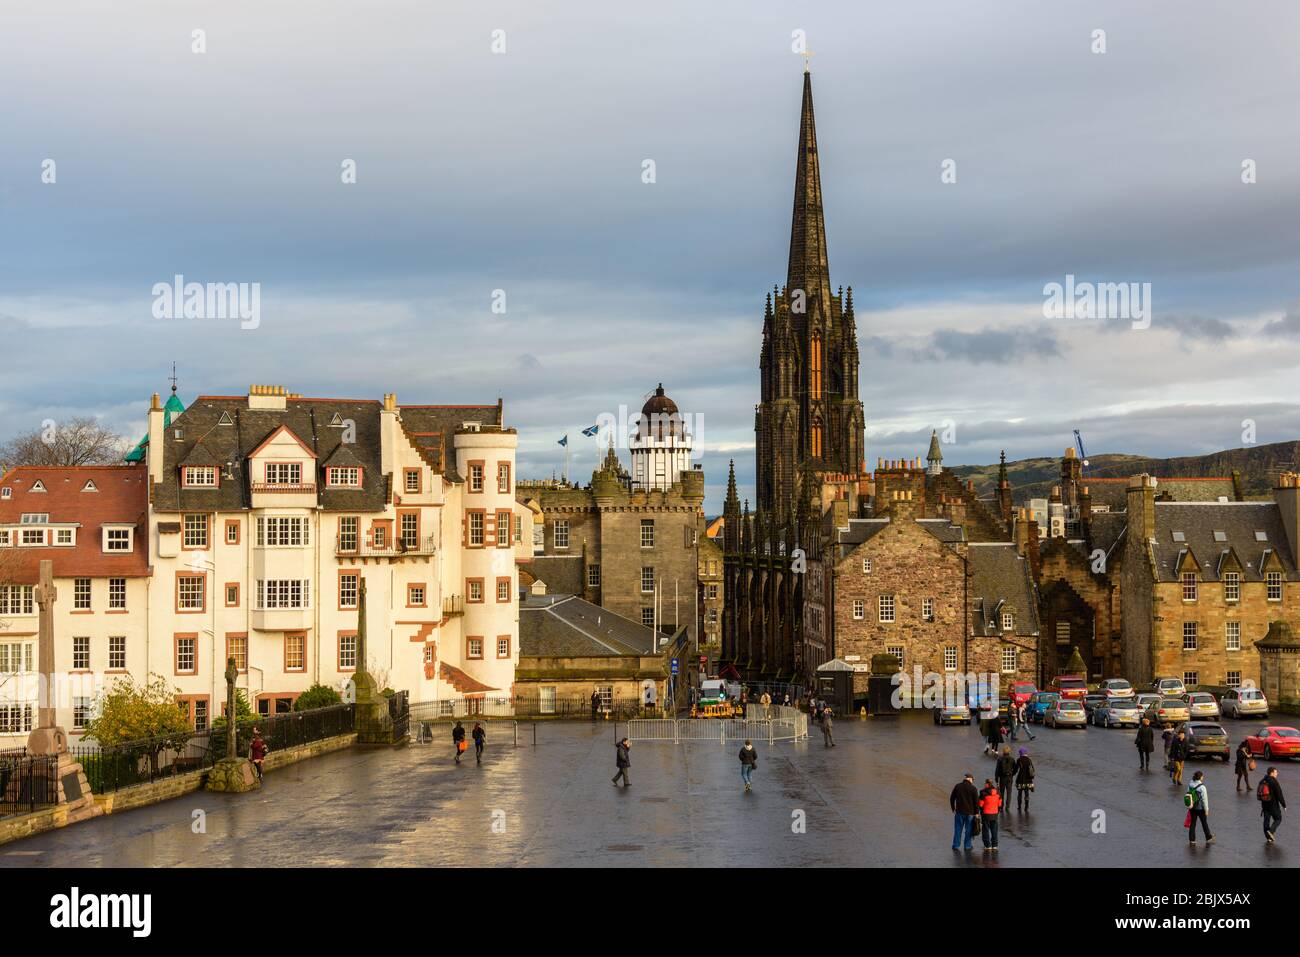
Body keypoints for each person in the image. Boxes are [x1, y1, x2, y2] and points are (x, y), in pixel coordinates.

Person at [950, 773, 980, 850]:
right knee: (968, 830)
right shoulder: (973, 788)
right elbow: (976, 802)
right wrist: (977, 813)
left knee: (958, 829)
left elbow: (952, 798)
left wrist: (953, 808)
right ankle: (967, 846)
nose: (972, 781)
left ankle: (956, 845)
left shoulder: (958, 786)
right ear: (970, 779)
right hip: (970, 813)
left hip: (959, 812)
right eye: (972, 780)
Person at [1259, 766, 1287, 844]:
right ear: (1271, 773)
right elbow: (1279, 794)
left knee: (1266, 821)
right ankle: (1271, 832)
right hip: (1273, 805)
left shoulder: (1262, 780)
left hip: (1264, 805)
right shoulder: (1274, 781)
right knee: (1278, 818)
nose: (1277, 773)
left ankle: (1269, 838)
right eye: (1275, 772)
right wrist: (1284, 805)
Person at [1186, 770, 1213, 845]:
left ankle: (1192, 840)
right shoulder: (1202, 787)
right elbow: (1205, 799)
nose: (1203, 777)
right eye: (1202, 776)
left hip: (1192, 807)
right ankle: (1208, 837)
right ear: (1200, 777)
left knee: (1193, 823)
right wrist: (1206, 809)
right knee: (1204, 823)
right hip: (1200, 808)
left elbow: (1188, 793)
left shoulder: (1190, 783)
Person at [978, 778, 1002, 850]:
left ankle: (987, 846)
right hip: (994, 814)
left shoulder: (983, 793)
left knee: (985, 830)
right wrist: (997, 811)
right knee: (994, 830)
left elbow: (980, 805)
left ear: (987, 784)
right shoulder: (998, 792)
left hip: (986, 815)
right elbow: (1000, 804)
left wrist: (980, 812)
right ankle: (994, 845)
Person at [1014, 748, 1035, 812]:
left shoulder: (1019, 760)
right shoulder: (1029, 760)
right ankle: (1026, 806)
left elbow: (1016, 769)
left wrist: (1012, 774)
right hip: (1028, 779)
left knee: (1019, 793)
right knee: (1026, 793)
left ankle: (1019, 806)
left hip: (1020, 778)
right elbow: (1032, 769)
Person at [995, 746, 1016, 810]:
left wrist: (996, 778)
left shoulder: (1000, 759)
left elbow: (997, 769)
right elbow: (1015, 769)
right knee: (1009, 792)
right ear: (1009, 751)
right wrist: (1012, 774)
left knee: (1002, 792)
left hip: (1002, 778)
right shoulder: (1012, 759)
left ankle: (1001, 805)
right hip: (1009, 777)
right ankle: (1008, 806)